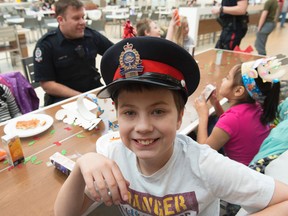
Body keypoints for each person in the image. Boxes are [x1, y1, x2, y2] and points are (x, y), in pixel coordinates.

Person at [54, 36, 288, 216]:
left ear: (179, 117)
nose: (143, 126)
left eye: (158, 111)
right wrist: (82, 165)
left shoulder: (204, 165)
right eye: (129, 112)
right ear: (117, 115)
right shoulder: (115, 157)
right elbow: (66, 213)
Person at [195, 57, 284, 166]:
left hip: (241, 174)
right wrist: (216, 104)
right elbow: (230, 126)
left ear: (238, 91)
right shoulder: (256, 107)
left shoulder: (232, 119)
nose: (223, 79)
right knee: (213, 121)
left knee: (200, 132)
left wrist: (202, 115)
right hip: (257, 166)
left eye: (227, 78)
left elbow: (203, 153)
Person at [33, 0, 113, 106]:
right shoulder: (46, 45)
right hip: (64, 99)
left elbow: (115, 53)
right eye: (76, 18)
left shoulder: (91, 36)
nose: (83, 22)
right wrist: (81, 97)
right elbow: (47, 85)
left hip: (93, 92)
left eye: (83, 17)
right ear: (61, 20)